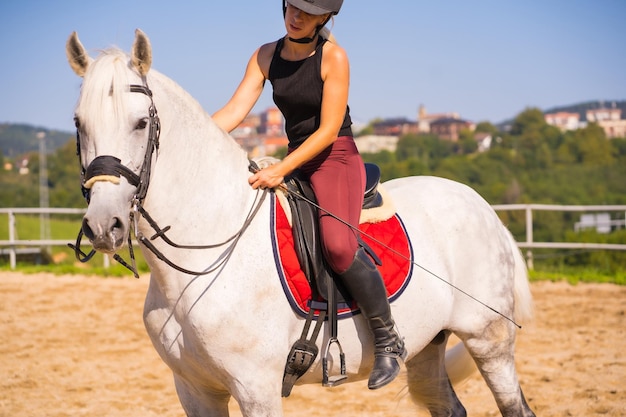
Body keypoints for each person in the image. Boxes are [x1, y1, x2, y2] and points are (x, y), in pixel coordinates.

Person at [212, 0, 405, 390]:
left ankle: (388, 340)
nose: (295, 17)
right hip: (297, 157)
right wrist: (191, 136)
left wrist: (280, 169)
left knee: (337, 245)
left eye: (307, 12)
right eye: (291, 7)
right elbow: (234, 110)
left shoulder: (334, 58)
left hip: (334, 157)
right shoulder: (266, 55)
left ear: (324, 18)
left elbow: (328, 130)